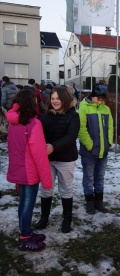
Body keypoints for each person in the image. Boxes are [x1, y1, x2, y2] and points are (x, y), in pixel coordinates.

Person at [6, 89, 52, 252]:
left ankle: (25, 232)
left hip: (18, 169)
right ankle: (25, 238)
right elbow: (40, 155)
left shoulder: (13, 123)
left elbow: (11, 148)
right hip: (29, 171)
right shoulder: (33, 124)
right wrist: (47, 180)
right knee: (27, 204)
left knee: (23, 203)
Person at [35, 86, 80, 233]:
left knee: (65, 189)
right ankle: (44, 218)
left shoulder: (73, 115)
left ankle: (67, 220)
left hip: (66, 159)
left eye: (58, 99)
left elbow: (71, 136)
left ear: (65, 99)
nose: (55, 101)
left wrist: (53, 146)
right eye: (52, 99)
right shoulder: (45, 115)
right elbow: (38, 131)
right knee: (46, 188)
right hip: (47, 158)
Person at [78, 83, 114, 214]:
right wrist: (90, 145)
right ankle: (90, 202)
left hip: (103, 151)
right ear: (93, 96)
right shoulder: (84, 108)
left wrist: (109, 142)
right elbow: (81, 129)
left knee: (100, 177)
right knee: (89, 177)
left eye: (103, 99)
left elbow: (110, 127)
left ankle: (99, 202)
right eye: (98, 98)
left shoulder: (106, 109)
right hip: (89, 152)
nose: (101, 101)